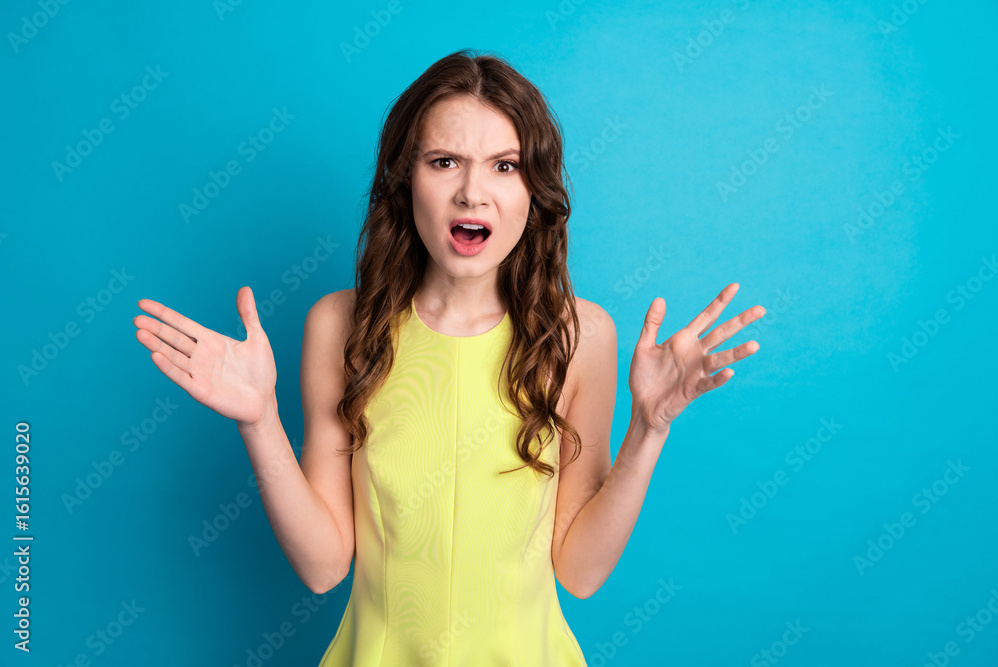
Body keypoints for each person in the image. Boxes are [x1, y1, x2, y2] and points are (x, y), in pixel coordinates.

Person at [132, 49, 765, 666]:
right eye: (444, 161)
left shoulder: (582, 335)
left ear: (533, 190)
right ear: (405, 177)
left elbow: (581, 572)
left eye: (504, 166)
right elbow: (324, 568)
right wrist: (259, 420)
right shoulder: (339, 326)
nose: (472, 193)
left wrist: (649, 430)